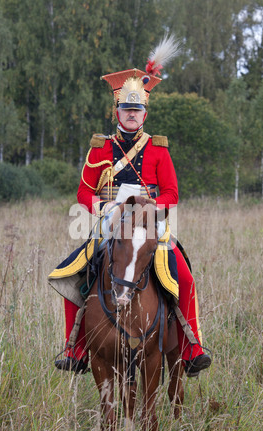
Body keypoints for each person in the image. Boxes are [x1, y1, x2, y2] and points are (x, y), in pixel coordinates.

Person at [48, 35, 211, 378]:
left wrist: (153, 207)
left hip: (150, 224)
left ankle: (191, 348)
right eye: (126, 109)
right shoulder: (99, 148)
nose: (132, 114)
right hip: (110, 224)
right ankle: (75, 349)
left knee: (183, 276)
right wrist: (103, 209)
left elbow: (172, 194)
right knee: (70, 274)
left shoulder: (159, 149)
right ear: (117, 111)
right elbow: (83, 193)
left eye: (137, 110)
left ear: (145, 113)